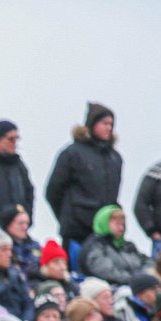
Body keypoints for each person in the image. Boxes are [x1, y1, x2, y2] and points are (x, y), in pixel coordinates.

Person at [45, 104, 122, 246]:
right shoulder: (71, 153)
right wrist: (67, 217)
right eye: (104, 123)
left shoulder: (115, 158)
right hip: (76, 233)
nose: (109, 128)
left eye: (111, 124)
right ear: (92, 124)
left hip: (105, 233)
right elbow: (53, 191)